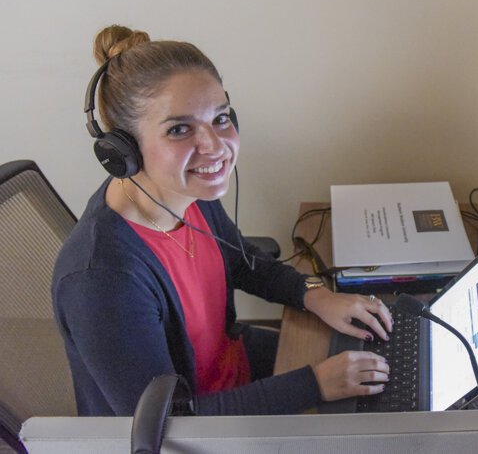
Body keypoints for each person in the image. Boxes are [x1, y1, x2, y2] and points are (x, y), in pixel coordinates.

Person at [52, 25, 392, 416]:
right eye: (179, 129)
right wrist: (314, 385)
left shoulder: (186, 193)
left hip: (230, 366)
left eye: (221, 118)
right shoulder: (102, 279)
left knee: (379, 360)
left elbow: (239, 259)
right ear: (123, 150)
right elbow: (166, 421)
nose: (214, 147)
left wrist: (316, 294)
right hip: (194, 424)